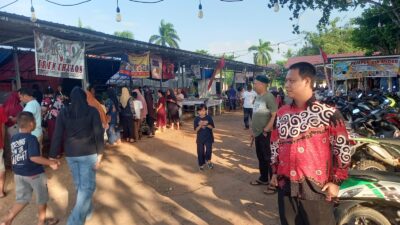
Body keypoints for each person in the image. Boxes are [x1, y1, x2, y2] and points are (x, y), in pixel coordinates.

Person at [269, 62, 350, 225]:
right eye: (286, 81)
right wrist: (275, 172)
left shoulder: (328, 114)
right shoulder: (282, 113)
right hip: (285, 186)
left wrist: (336, 182)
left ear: (306, 81)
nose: (286, 85)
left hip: (316, 190)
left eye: (291, 81)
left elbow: (342, 149)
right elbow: (275, 145)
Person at [49, 87, 104, 225]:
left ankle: (88, 211)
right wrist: (100, 153)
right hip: (88, 152)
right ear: (85, 98)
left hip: (71, 154)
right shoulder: (92, 111)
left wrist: (52, 156)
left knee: (80, 185)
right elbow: (98, 133)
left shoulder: (64, 112)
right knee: (86, 187)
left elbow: (57, 134)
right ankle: (74, 222)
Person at [1, 111, 60, 225]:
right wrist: (51, 162)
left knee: (22, 199)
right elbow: (34, 158)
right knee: (42, 199)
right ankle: (41, 222)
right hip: (34, 174)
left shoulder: (14, 138)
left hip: (18, 174)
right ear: (32, 124)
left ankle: (8, 220)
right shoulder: (31, 138)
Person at [249, 75, 277, 186]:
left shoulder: (269, 97)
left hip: (265, 134)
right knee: (261, 157)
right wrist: (252, 130)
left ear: (262, 84)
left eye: (256, 83)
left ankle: (272, 182)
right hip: (257, 133)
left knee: (268, 158)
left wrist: (266, 129)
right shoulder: (258, 97)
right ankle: (264, 178)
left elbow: (274, 115)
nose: (254, 85)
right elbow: (255, 114)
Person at [2, 92, 23, 168]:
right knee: (16, 146)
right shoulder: (18, 107)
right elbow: (19, 118)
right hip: (14, 128)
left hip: (6, 128)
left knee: (8, 146)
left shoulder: (4, 105)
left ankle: (8, 162)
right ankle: (15, 164)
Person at [41, 87, 64, 155]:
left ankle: (56, 153)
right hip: (59, 119)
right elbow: (62, 108)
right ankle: (61, 151)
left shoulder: (46, 100)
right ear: (52, 93)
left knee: (53, 136)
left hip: (51, 120)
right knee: (59, 135)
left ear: (45, 93)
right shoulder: (58, 99)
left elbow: (43, 109)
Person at [194, 104, 215, 171]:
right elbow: (196, 130)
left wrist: (206, 124)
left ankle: (208, 161)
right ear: (198, 112)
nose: (202, 112)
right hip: (200, 138)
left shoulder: (209, 117)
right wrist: (200, 125)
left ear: (206, 111)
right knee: (200, 151)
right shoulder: (196, 119)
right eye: (200, 111)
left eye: (204, 110)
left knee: (209, 150)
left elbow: (212, 127)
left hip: (208, 137)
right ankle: (201, 164)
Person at [0, 105, 7, 198]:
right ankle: (0, 192)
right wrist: (3, 141)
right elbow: (2, 128)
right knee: (0, 168)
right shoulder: (0, 109)